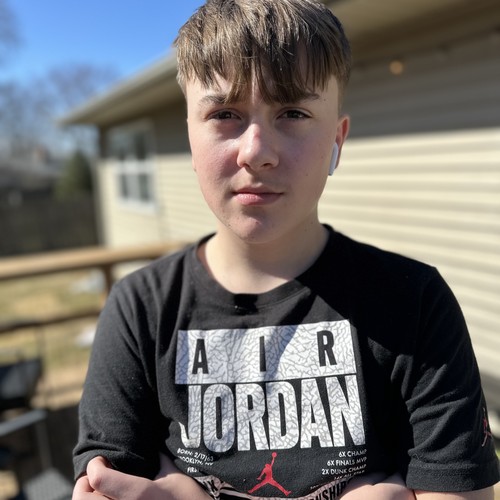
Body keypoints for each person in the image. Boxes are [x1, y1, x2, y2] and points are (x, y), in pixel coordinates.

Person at [72, 0, 500, 498]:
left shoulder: (414, 301)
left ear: (337, 139)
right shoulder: (140, 310)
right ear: (191, 139)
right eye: (224, 114)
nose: (256, 151)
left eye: (293, 112)